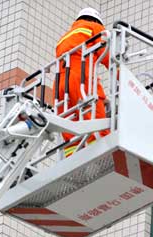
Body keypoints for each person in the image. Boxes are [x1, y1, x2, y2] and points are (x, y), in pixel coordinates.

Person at [54, 7, 110, 157]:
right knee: (95, 118)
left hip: (60, 86)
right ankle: (102, 154)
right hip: (81, 79)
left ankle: (72, 157)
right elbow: (108, 57)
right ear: (97, 20)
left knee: (70, 124)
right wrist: (121, 76)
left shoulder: (64, 37)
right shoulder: (94, 27)